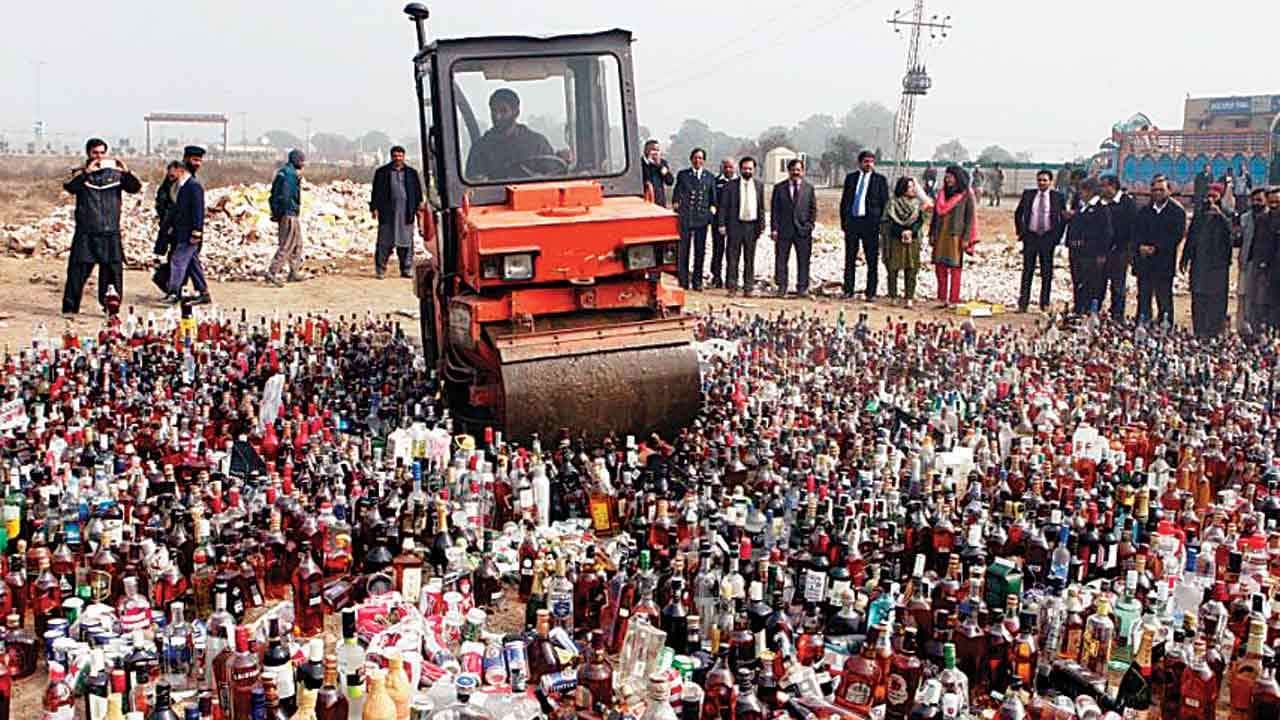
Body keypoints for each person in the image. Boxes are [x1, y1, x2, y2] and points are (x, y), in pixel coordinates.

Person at [61, 138, 142, 316]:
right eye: (95, 153)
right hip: (86, 233)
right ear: (88, 154)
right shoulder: (80, 174)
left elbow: (135, 188)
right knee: (77, 273)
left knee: (112, 274)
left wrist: (126, 171)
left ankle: (110, 309)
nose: (99, 156)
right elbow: (70, 187)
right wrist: (86, 173)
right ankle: (70, 308)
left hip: (110, 232)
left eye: (102, 153)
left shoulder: (116, 175)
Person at [465, 89, 555, 181]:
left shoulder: (537, 143)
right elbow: (473, 180)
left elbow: (553, 174)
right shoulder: (481, 148)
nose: (497, 116)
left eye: (503, 111)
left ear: (516, 113)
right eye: (494, 111)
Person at [1132, 176, 1186, 327]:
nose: (1157, 193)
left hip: (1164, 262)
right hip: (1144, 262)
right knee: (1143, 296)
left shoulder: (1176, 211)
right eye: (1154, 190)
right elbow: (1136, 233)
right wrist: (1140, 247)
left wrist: (1156, 248)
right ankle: (1143, 323)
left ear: (1169, 191)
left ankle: (1165, 325)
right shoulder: (1144, 211)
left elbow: (1176, 236)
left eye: (1161, 190)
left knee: (1164, 297)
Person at [1180, 184, 1233, 337]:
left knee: (1216, 300)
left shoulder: (1227, 214)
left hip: (1218, 267)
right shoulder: (1200, 214)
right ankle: (1199, 331)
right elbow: (1191, 238)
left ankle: (1214, 332)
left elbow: (1233, 235)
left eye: (1214, 197)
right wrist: (1185, 258)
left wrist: (1220, 216)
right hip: (1199, 265)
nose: (1210, 200)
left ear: (1220, 198)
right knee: (1198, 298)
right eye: (1208, 196)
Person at [838, 150, 889, 301]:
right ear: (860, 163)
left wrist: (881, 224)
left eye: (871, 161)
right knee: (850, 258)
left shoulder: (880, 180)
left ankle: (871, 292)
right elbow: (845, 201)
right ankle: (848, 290)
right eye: (866, 161)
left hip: (871, 225)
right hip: (853, 223)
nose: (869, 164)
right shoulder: (851, 178)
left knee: (872, 260)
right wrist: (844, 222)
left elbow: (885, 203)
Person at [1013, 169, 1067, 313]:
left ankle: (1044, 303)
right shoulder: (1029, 195)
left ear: (1050, 182)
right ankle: (1023, 303)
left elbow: (1062, 218)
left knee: (1046, 272)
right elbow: (1018, 213)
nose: (1042, 183)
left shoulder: (1058, 197)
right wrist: (1021, 232)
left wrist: (1057, 236)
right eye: (1040, 180)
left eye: (1045, 180)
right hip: (1031, 237)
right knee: (1027, 271)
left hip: (1048, 238)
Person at [370, 145, 425, 279]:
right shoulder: (382, 172)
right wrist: (374, 208)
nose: (398, 158)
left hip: (406, 212)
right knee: (384, 243)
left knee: (406, 243)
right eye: (395, 156)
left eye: (400, 156)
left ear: (404, 156)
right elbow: (376, 192)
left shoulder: (411, 173)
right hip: (387, 213)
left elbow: (417, 193)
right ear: (391, 156)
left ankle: (406, 269)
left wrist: (419, 209)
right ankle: (380, 270)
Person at [716, 156, 766, 297]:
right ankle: (732, 287)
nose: (747, 171)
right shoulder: (730, 185)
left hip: (752, 227)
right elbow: (723, 207)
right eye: (745, 168)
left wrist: (762, 225)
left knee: (749, 258)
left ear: (754, 170)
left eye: (750, 168)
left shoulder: (759, 185)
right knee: (733, 258)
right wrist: (721, 224)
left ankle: (748, 288)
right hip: (735, 226)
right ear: (740, 169)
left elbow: (761, 207)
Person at [162, 161, 210, 305]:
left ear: (179, 170)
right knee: (192, 263)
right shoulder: (182, 186)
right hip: (182, 231)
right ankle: (203, 292)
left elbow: (198, 210)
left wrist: (197, 231)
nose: (169, 176)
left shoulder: (193, 186)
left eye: (171, 172)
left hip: (189, 232)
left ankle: (173, 292)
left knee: (177, 261)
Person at [928, 166, 976, 309]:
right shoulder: (942, 194)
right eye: (946, 176)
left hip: (956, 236)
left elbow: (970, 218)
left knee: (955, 268)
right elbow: (935, 216)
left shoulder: (966, 194)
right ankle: (942, 298)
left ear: (958, 178)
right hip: (940, 234)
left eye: (951, 177)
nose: (948, 179)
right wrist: (931, 233)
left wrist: (966, 238)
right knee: (939, 267)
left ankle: (954, 300)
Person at [1065, 177, 1112, 316]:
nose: (1080, 193)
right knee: (1078, 280)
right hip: (1076, 252)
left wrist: (1101, 253)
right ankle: (1078, 307)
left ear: (1090, 191)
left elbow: (1106, 233)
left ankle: (1090, 309)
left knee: (1091, 282)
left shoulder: (1101, 209)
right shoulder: (1081, 207)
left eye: (1083, 190)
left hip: (1090, 253)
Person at [770, 158, 817, 298]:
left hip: (803, 231)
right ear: (788, 171)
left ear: (803, 171)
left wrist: (810, 226)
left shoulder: (809, 188)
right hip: (784, 230)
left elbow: (813, 209)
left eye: (799, 170)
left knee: (803, 260)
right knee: (781, 260)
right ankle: (782, 287)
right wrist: (774, 229)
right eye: (793, 170)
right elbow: (774, 210)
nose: (796, 172)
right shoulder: (779, 188)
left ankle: (802, 288)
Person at [672, 148, 718, 290]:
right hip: (686, 218)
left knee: (700, 251)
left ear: (704, 160)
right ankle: (683, 281)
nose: (698, 160)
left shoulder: (709, 177)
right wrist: (677, 206)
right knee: (683, 251)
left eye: (700, 158)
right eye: (695, 158)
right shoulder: (683, 175)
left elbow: (713, 200)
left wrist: (710, 214)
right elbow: (676, 194)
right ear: (691, 159)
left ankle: (697, 282)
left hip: (701, 219)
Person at [881, 176, 928, 308]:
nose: (913, 189)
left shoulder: (917, 204)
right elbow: (887, 222)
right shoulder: (892, 203)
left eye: (914, 187)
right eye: (910, 187)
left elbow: (920, 221)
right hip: (895, 240)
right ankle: (893, 296)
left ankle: (909, 297)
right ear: (903, 188)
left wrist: (910, 232)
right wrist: (901, 231)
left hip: (912, 241)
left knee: (911, 269)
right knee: (892, 269)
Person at [266, 149, 307, 287]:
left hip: (287, 213)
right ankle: (272, 272)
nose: (303, 163)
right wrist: (283, 212)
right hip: (289, 213)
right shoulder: (290, 175)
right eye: (301, 160)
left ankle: (294, 271)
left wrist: (275, 212)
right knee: (287, 244)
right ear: (295, 160)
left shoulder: (283, 172)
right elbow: (286, 195)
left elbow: (273, 195)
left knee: (297, 243)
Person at [1099, 175, 1138, 319]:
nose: (1102, 189)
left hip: (1121, 251)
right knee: (1099, 284)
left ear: (1113, 186)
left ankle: (1117, 315)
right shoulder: (1102, 203)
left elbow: (1133, 228)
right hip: (1103, 251)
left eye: (1104, 186)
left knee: (1118, 285)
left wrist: (1129, 251)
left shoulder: (1127, 203)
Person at [1237, 187, 1269, 333]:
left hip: (1266, 266)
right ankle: (1244, 328)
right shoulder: (1245, 218)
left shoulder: (1272, 218)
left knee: (1261, 298)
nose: (1256, 203)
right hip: (1247, 264)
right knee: (1244, 297)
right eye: (1254, 200)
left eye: (1259, 200)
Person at [709, 158, 736, 289]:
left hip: (735, 223)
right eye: (726, 167)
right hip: (718, 222)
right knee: (717, 250)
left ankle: (730, 279)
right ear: (722, 168)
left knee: (732, 252)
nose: (728, 170)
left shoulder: (739, 183)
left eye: (730, 167)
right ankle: (716, 276)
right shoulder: (716, 182)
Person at [641, 140, 674, 207]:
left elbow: (669, 181)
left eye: (657, 150)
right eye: (653, 150)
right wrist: (648, 163)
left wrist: (659, 166)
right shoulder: (639, 163)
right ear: (646, 150)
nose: (656, 153)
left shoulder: (662, 163)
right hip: (644, 201)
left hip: (659, 202)